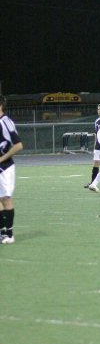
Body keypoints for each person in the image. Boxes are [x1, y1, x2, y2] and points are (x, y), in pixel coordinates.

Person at [0, 95, 23, 244]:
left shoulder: (5, 122)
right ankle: (3, 232)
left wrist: (2, 159)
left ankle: (9, 234)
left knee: (6, 199)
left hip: (5, 167)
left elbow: (18, 145)